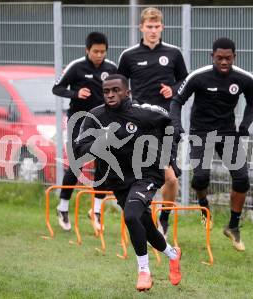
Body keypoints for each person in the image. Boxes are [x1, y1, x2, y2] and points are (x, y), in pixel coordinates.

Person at [76, 74, 182, 292]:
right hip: (118, 179)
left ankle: (144, 271)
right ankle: (173, 254)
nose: (111, 95)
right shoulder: (95, 117)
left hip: (147, 174)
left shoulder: (143, 113)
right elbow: (80, 149)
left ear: (127, 93)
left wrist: (168, 159)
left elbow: (172, 127)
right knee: (145, 225)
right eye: (106, 91)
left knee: (131, 215)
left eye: (116, 90)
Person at [170, 37, 253, 252]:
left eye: (228, 58)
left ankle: (233, 226)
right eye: (219, 58)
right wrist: (176, 125)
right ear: (212, 56)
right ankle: (203, 206)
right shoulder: (198, 77)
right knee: (201, 178)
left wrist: (245, 124)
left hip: (228, 133)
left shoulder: (244, 78)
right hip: (201, 133)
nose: (223, 62)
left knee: (242, 179)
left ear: (234, 57)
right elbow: (177, 100)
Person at [117, 7, 188, 237]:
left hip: (165, 125)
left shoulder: (174, 53)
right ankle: (140, 219)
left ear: (162, 28)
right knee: (137, 175)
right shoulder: (128, 56)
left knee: (170, 177)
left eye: (157, 27)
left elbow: (185, 81)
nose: (153, 31)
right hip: (137, 125)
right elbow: (118, 85)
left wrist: (173, 89)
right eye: (149, 27)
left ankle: (164, 219)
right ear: (141, 28)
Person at [52, 32, 117, 231]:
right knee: (76, 163)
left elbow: (119, 90)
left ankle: (96, 210)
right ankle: (62, 207)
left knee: (104, 163)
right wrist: (75, 93)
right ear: (87, 50)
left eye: (103, 52)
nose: (99, 55)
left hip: (102, 123)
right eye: (95, 51)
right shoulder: (76, 67)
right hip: (78, 122)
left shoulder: (111, 68)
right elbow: (57, 88)